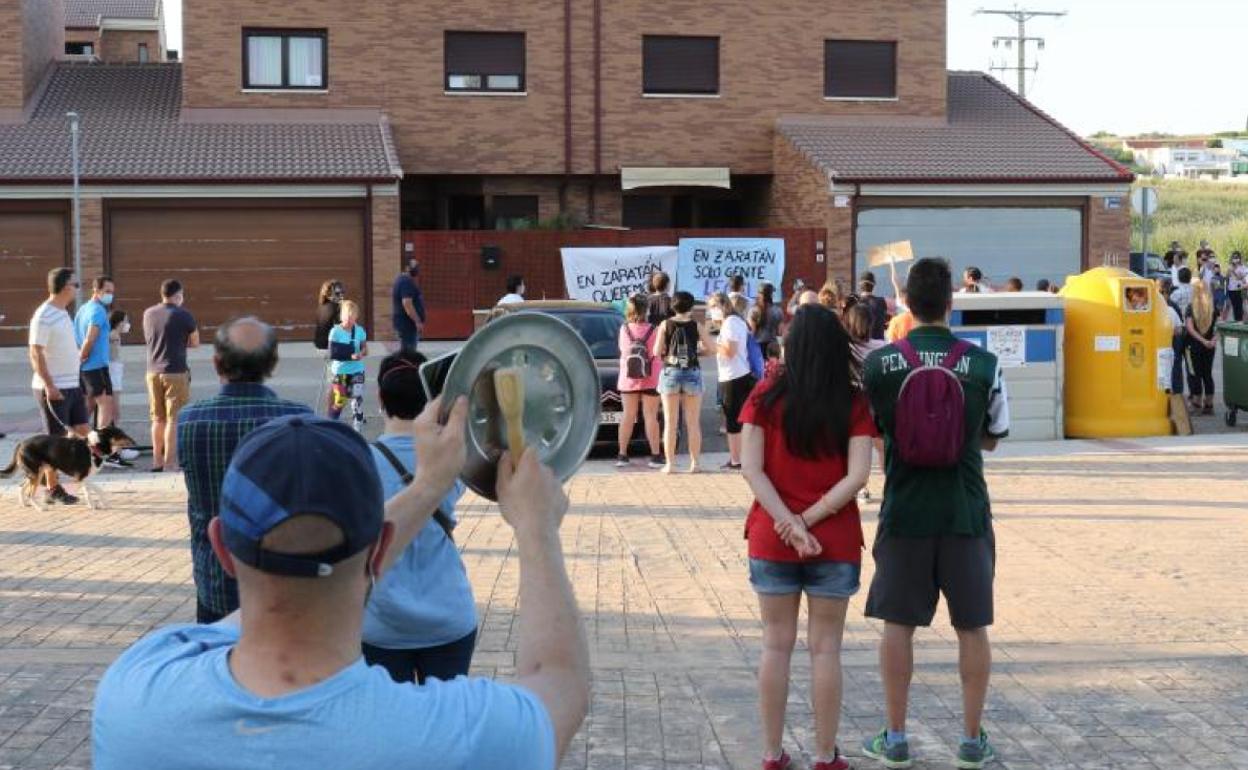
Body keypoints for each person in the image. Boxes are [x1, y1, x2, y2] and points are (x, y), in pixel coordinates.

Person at [92, 407, 591, 769]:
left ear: (221, 549)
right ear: (380, 552)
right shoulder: (460, 739)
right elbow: (560, 680)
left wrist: (424, 489)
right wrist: (535, 527)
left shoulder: (136, 688)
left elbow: (282, 600)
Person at [861, 257, 1009, 770]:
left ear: (907, 304)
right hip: (965, 511)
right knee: (972, 627)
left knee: (898, 625)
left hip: (904, 510)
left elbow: (875, 429)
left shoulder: (879, 365)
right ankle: (971, 739)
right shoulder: (983, 363)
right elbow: (992, 438)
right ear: (950, 302)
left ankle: (896, 736)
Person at [739, 304, 875, 770]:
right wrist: (810, 521)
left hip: (772, 539)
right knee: (826, 648)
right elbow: (858, 476)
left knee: (775, 644)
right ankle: (824, 754)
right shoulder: (853, 402)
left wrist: (788, 524)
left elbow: (751, 469)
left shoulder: (763, 396)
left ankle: (772, 753)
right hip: (833, 540)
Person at [177, 316, 311, 624]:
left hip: (215, 579)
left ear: (216, 362)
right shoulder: (299, 419)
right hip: (282, 580)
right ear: (273, 363)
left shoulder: (190, 420)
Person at [364, 350, 477, 683]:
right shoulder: (454, 458)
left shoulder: (357, 463)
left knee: (392, 731)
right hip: (450, 618)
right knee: (446, 731)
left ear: (380, 398)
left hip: (380, 625)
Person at [28, 267, 89, 505]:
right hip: (54, 388)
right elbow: (35, 352)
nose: (77, 288)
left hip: (72, 385)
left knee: (84, 431)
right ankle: (52, 487)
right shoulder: (43, 315)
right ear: (65, 286)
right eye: (76, 284)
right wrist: (49, 385)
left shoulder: (63, 312)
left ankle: (81, 477)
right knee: (55, 439)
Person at [654, 291, 714, 474]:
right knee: (693, 422)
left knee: (670, 422)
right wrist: (698, 353)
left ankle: (670, 464)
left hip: (671, 371)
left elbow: (657, 351)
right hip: (692, 371)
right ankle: (695, 464)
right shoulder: (696, 325)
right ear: (690, 307)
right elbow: (712, 348)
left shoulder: (665, 324)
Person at [143, 279, 199, 473]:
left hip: (152, 372)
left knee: (157, 419)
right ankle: (170, 463)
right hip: (175, 371)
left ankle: (156, 461)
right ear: (178, 295)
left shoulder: (148, 313)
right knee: (173, 419)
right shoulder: (184, 315)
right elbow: (195, 342)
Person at [615, 295, 663, 469]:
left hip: (628, 377)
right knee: (651, 416)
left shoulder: (624, 329)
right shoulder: (654, 329)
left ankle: (622, 454)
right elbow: (657, 352)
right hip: (651, 378)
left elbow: (623, 350)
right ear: (647, 309)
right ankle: (655, 456)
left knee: (628, 415)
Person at [711, 292, 756, 471]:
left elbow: (730, 351)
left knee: (733, 420)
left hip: (733, 376)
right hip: (737, 374)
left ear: (723, 306)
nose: (711, 311)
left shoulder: (730, 323)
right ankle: (739, 458)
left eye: (713, 307)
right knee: (738, 418)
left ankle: (736, 459)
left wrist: (711, 343)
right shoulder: (735, 321)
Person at [75, 276, 119, 437]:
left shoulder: (82, 309)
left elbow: (77, 335)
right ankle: (101, 446)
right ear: (96, 290)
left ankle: (74, 440)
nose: (110, 295)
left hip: (86, 367)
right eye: (107, 291)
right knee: (106, 403)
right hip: (96, 365)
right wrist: (83, 354)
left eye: (112, 292)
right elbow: (90, 337)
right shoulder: (98, 310)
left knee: (88, 405)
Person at [105, 308, 140, 464]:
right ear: (119, 322)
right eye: (125, 321)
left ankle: (117, 449)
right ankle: (115, 450)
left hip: (115, 374)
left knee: (114, 414)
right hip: (112, 375)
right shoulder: (112, 336)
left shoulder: (115, 336)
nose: (127, 324)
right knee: (114, 413)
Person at [328, 299, 369, 431]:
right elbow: (332, 352)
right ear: (342, 316)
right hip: (340, 371)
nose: (351, 320)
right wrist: (349, 356)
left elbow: (365, 349)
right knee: (340, 399)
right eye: (348, 317)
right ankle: (332, 424)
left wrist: (361, 354)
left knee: (356, 396)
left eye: (353, 317)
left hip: (357, 369)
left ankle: (358, 419)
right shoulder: (335, 332)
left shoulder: (359, 330)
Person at [1185, 280, 1217, 416]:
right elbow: (1218, 328)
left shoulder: (1191, 307)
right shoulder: (1213, 308)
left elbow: (1189, 328)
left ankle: (1196, 403)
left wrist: (1202, 340)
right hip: (1210, 346)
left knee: (1195, 374)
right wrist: (1213, 340)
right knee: (1207, 374)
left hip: (1194, 346)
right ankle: (1209, 404)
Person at [392, 258, 426, 352]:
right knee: (409, 353)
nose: (417, 269)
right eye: (414, 266)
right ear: (407, 268)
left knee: (406, 351)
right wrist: (417, 321)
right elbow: (407, 304)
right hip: (407, 325)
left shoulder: (402, 280)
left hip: (404, 324)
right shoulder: (406, 282)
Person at [1160, 278, 1186, 397]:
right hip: (1172, 342)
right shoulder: (1169, 305)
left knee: (1174, 367)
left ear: (1166, 292)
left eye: (1160, 292)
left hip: (1174, 342)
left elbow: (1179, 329)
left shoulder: (1171, 307)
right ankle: (1174, 393)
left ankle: (1176, 394)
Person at [314, 279, 345, 351]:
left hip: (320, 346)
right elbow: (340, 328)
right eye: (337, 293)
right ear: (328, 294)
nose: (341, 295)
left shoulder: (322, 306)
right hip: (331, 347)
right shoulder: (337, 307)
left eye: (342, 292)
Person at [857, 274, 889, 340]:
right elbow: (884, 321)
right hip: (879, 344)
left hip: (860, 344)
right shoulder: (881, 302)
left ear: (860, 286)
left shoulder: (855, 302)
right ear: (873, 286)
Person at [753, 283, 784, 348]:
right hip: (772, 345)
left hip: (757, 346)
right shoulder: (778, 310)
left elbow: (752, 332)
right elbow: (780, 332)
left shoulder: (754, 310)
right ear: (771, 295)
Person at [1227, 252, 1247, 322]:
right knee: (1234, 306)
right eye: (1234, 257)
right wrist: (1229, 271)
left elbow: (1242, 278)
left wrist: (1234, 272)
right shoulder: (1230, 267)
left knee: (1240, 306)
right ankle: (1236, 320)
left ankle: (1240, 320)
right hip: (1231, 289)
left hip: (1239, 289)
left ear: (1239, 258)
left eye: (1237, 257)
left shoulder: (1243, 267)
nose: (1235, 259)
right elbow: (1228, 277)